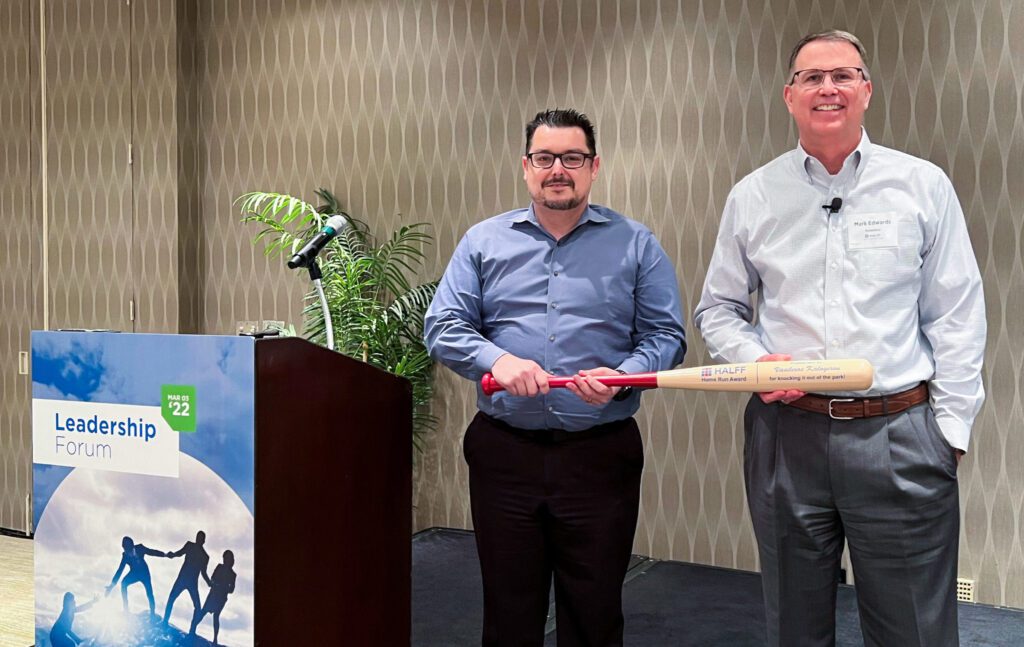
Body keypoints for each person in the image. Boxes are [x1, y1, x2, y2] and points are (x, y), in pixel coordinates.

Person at [694, 29, 985, 647]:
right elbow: (717, 309)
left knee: (914, 629)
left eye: (843, 75)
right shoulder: (753, 195)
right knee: (794, 627)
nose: (828, 88)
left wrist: (950, 434)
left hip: (899, 434)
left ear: (867, 90)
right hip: (786, 437)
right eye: (812, 78)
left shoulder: (922, 185)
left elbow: (957, 313)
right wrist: (756, 363)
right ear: (789, 95)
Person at [425, 108, 686, 646]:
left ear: (594, 167)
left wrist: (624, 376)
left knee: (594, 611)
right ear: (526, 167)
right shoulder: (483, 242)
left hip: (599, 456)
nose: (557, 169)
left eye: (572, 158)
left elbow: (666, 336)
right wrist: (497, 361)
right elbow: (443, 326)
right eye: (545, 158)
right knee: (508, 609)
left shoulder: (636, 244)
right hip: (505, 454)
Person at [105, 535, 167, 618]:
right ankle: (126, 610)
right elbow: (119, 571)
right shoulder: (125, 556)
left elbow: (152, 552)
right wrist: (111, 586)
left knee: (149, 593)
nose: (128, 554)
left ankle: (152, 613)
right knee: (123, 583)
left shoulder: (140, 548)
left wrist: (165, 554)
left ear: (132, 547)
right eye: (125, 551)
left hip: (144, 574)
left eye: (129, 551)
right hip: (134, 573)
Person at [162, 530, 211, 627]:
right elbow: (179, 553)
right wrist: (172, 554)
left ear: (203, 541)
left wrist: (209, 583)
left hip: (190, 582)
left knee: (197, 607)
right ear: (197, 538)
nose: (199, 540)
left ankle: (192, 630)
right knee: (172, 599)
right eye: (198, 538)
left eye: (200, 539)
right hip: (183, 579)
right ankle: (165, 622)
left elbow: (203, 573)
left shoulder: (204, 556)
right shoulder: (190, 546)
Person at [189, 549, 237, 646]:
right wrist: (216, 584)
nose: (226, 560)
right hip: (213, 594)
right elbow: (213, 578)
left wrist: (224, 588)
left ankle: (215, 639)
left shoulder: (233, 574)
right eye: (225, 558)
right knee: (203, 612)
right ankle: (192, 629)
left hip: (221, 598)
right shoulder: (219, 567)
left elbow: (232, 590)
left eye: (227, 558)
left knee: (216, 617)